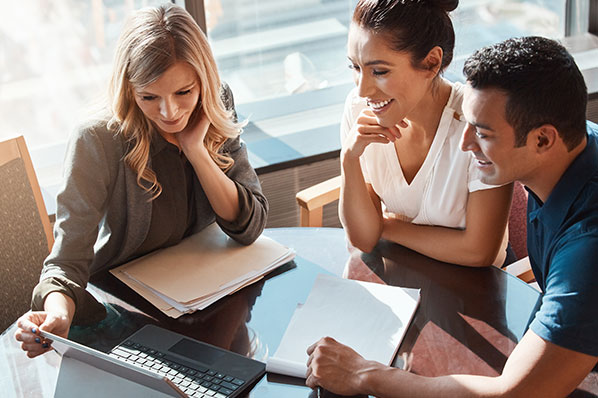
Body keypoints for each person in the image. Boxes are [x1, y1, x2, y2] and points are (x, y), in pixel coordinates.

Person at [307, 36, 598, 397]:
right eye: (467, 123)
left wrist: (363, 375)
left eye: (483, 133)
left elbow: (516, 394)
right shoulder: (578, 145)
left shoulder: (587, 252)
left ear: (542, 140)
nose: (465, 144)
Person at [14, 4, 268, 358]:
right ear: (129, 88)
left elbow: (250, 224)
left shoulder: (216, 101)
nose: (170, 112)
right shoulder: (98, 138)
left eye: (184, 93)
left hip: (207, 299)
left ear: (204, 83)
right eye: (149, 97)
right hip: (126, 314)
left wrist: (197, 152)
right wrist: (57, 314)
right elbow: (67, 261)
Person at [340, 0, 513, 267]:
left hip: (477, 288)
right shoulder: (358, 109)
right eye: (355, 67)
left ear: (432, 63)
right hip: (404, 274)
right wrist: (349, 159)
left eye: (379, 71)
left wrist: (383, 227)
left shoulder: (477, 122)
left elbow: (480, 251)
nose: (363, 90)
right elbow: (363, 239)